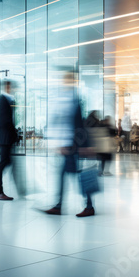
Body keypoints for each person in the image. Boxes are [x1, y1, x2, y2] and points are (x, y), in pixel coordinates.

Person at [44, 72, 95, 217]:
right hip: (70, 144)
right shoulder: (66, 98)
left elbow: (78, 124)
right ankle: (63, 205)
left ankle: (86, 206)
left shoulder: (75, 99)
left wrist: (82, 145)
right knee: (68, 173)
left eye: (68, 79)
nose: (65, 81)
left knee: (77, 174)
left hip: (73, 144)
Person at [0, 80, 18, 201]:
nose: (12, 88)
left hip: (7, 137)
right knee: (3, 163)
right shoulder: (3, 100)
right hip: (5, 137)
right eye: (10, 86)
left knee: (6, 162)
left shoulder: (8, 100)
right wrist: (14, 134)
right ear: (6, 87)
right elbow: (5, 121)